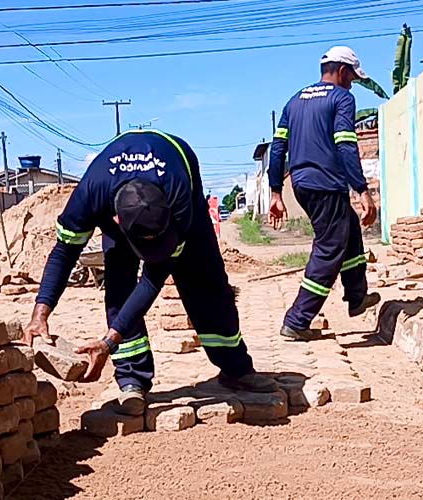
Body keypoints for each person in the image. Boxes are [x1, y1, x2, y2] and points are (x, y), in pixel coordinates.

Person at [24, 129, 277, 416]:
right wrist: (40, 313)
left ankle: (236, 369)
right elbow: (64, 253)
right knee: (119, 287)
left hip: (180, 185)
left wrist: (108, 342)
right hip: (115, 201)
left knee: (207, 282)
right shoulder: (89, 197)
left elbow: (153, 279)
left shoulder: (178, 198)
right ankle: (132, 379)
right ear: (117, 221)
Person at [268, 46, 381, 342]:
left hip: (301, 185)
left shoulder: (294, 101)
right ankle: (297, 320)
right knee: (329, 248)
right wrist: (362, 190)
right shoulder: (342, 98)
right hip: (326, 184)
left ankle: (357, 296)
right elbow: (345, 144)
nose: (352, 84)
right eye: (352, 78)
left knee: (350, 229)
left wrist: (276, 192)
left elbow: (278, 148)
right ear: (342, 71)